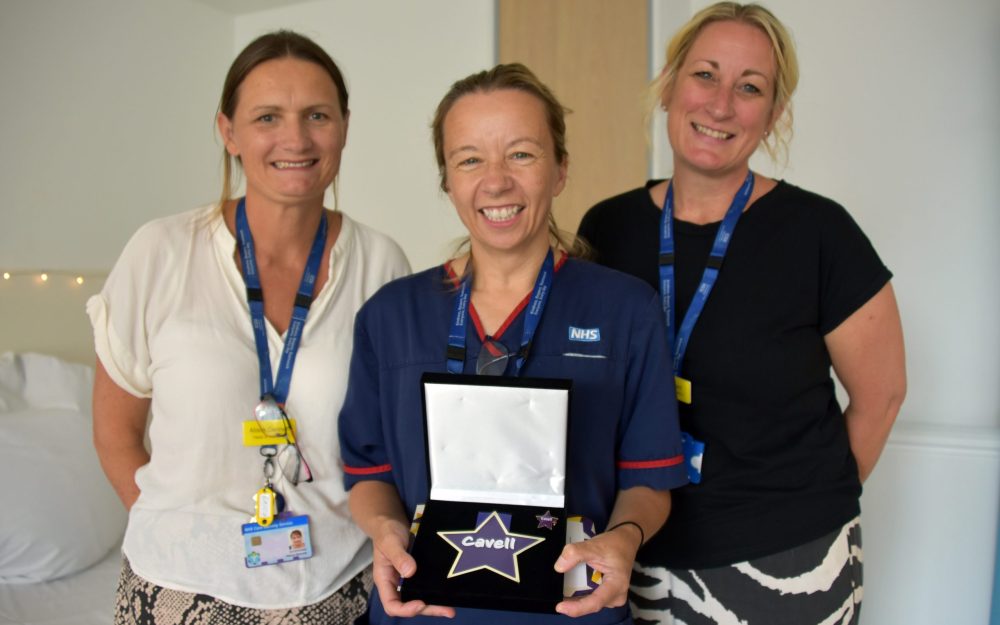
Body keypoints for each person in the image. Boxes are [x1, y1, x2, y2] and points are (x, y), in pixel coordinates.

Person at [578, 3, 906, 624]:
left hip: (787, 562)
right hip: (631, 553)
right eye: (705, 75)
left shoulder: (819, 233)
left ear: (773, 114)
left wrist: (808, 507)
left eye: (749, 87)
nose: (721, 104)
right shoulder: (608, 228)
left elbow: (882, 396)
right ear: (672, 83)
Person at [337, 63, 689, 624]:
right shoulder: (390, 316)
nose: (496, 181)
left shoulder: (625, 309)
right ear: (447, 179)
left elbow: (648, 475)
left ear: (560, 169)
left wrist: (624, 538)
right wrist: (385, 530)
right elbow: (368, 472)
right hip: (425, 609)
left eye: (521, 154)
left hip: (572, 608)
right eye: (470, 159)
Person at [88, 30, 409, 624]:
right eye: (268, 117)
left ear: (343, 126)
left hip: (336, 586)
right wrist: (178, 534)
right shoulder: (160, 252)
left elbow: (388, 445)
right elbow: (115, 433)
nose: (295, 139)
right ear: (228, 131)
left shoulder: (380, 264)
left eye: (317, 115)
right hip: (175, 589)